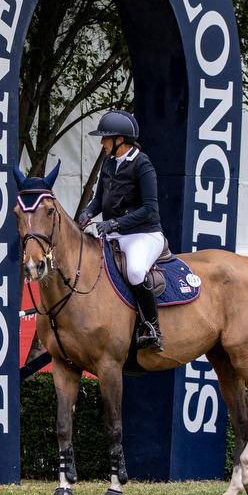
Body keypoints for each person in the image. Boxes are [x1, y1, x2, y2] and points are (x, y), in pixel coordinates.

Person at [77, 109, 166, 352]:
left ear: (120, 140)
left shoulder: (142, 164)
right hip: (114, 235)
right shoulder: (108, 163)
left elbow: (150, 208)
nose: (102, 143)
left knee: (136, 271)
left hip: (144, 234)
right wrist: (87, 213)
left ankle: (152, 328)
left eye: (105, 138)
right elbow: (98, 200)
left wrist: (115, 223)